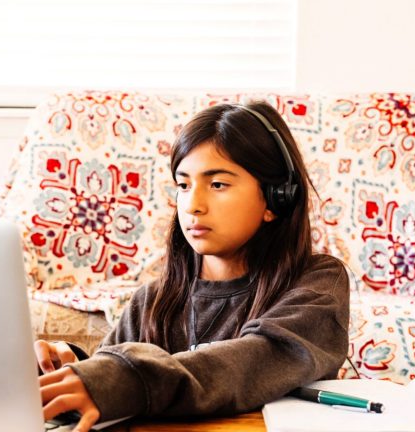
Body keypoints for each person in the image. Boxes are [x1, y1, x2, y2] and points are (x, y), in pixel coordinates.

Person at [35, 101, 350, 432]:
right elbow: (112, 386)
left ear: (275, 199)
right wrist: (71, 371)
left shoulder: (318, 284)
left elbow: (262, 358)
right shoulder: (152, 301)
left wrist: (126, 378)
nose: (193, 206)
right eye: (183, 185)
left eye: (217, 185)